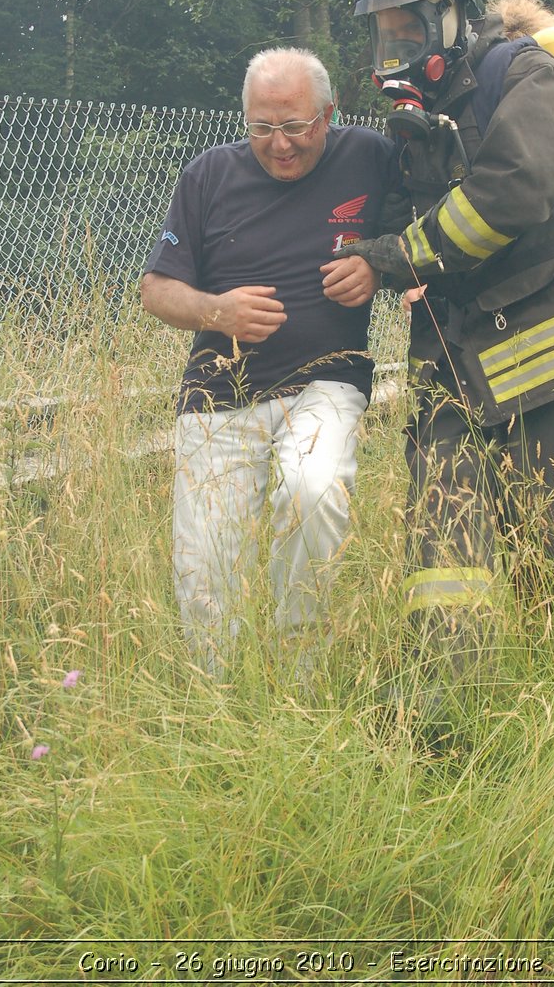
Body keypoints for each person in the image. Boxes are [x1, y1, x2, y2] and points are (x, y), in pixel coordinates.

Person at [339, 0, 554, 684]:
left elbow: (514, 188)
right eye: (383, 32)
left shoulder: (526, 73)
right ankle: (445, 720)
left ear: (451, 15)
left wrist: (401, 256)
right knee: (442, 565)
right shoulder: (411, 128)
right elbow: (402, 219)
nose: (394, 46)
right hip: (452, 367)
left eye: (408, 26)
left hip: (552, 361)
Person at [141, 47, 401, 675]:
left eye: (295, 126)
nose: (280, 144)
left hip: (326, 381)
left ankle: (298, 675)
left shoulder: (371, 156)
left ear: (328, 115)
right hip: (216, 398)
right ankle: (218, 703)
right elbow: (155, 289)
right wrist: (216, 312)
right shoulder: (208, 176)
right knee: (207, 569)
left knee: (314, 489)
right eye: (262, 127)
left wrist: (376, 265)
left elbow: (413, 237)